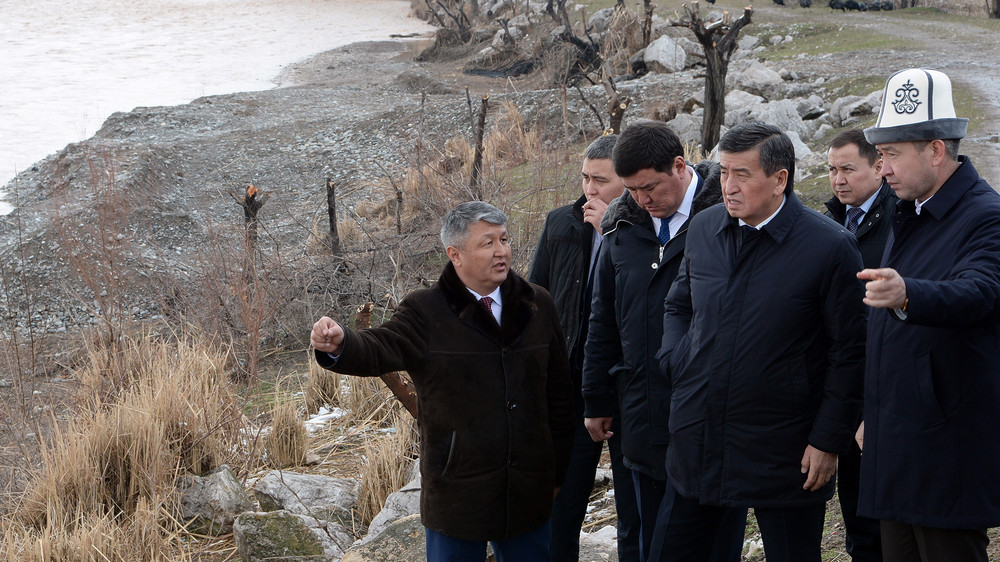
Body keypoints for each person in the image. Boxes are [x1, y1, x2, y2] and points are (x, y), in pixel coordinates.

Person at [311, 201, 575, 562]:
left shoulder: (538, 303)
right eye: (488, 243)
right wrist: (342, 343)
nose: (502, 251)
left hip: (528, 487)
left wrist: (556, 471)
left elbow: (560, 395)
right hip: (457, 488)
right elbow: (382, 345)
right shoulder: (426, 310)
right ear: (456, 254)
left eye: (504, 239)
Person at [652, 121, 866, 562]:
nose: (727, 186)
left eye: (741, 175)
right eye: (724, 172)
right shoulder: (707, 227)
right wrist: (678, 360)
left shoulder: (830, 247)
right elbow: (679, 305)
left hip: (785, 450)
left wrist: (828, 440)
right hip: (700, 436)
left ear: (779, 179)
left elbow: (850, 354)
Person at [580, 120, 743, 562]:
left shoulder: (730, 220)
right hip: (642, 413)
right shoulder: (622, 230)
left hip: (714, 416)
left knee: (712, 543)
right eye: (631, 190)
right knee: (647, 539)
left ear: (679, 165)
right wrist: (595, 399)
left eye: (650, 187)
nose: (642, 200)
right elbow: (603, 319)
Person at [856, 68, 1000, 562]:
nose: (883, 170)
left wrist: (907, 294)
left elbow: (980, 292)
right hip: (898, 441)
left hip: (946, 450)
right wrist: (871, 412)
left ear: (935, 150)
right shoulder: (913, 210)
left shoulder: (985, 214)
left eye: (892, 155)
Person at [528, 134, 641, 562]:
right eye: (585, 179)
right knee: (562, 504)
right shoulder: (560, 221)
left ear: (627, 182)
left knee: (634, 509)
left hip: (626, 385)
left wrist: (610, 229)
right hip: (570, 385)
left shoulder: (642, 225)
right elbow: (533, 297)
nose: (589, 190)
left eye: (600, 180)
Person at [824, 128, 896, 562]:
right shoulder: (831, 220)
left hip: (883, 391)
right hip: (843, 388)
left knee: (887, 521)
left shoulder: (897, 221)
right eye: (832, 170)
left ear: (878, 168)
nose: (838, 179)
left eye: (848, 169)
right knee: (856, 513)